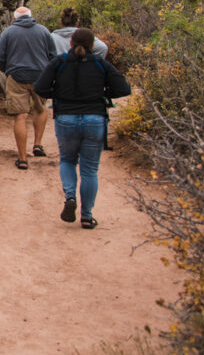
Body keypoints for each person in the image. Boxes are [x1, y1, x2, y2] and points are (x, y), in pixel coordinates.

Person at [34, 28, 131, 229]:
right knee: (89, 169)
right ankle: (87, 216)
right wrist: (104, 93)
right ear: (92, 45)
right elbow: (124, 88)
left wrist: (58, 93)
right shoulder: (100, 64)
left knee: (68, 160)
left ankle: (70, 197)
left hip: (66, 118)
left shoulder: (59, 63)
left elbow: (40, 88)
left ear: (71, 43)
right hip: (94, 119)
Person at [0, 6, 57, 170]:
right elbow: (53, 56)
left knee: (20, 116)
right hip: (40, 76)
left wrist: (8, 70)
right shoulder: (43, 31)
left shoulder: (8, 32)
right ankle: (37, 145)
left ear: (14, 19)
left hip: (16, 76)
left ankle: (22, 159)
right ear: (31, 17)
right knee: (40, 108)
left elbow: (0, 57)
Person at [51, 7, 113, 150]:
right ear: (77, 21)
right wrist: (94, 61)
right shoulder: (84, 35)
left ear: (61, 21)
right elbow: (103, 47)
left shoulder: (52, 37)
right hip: (87, 76)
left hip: (62, 77)